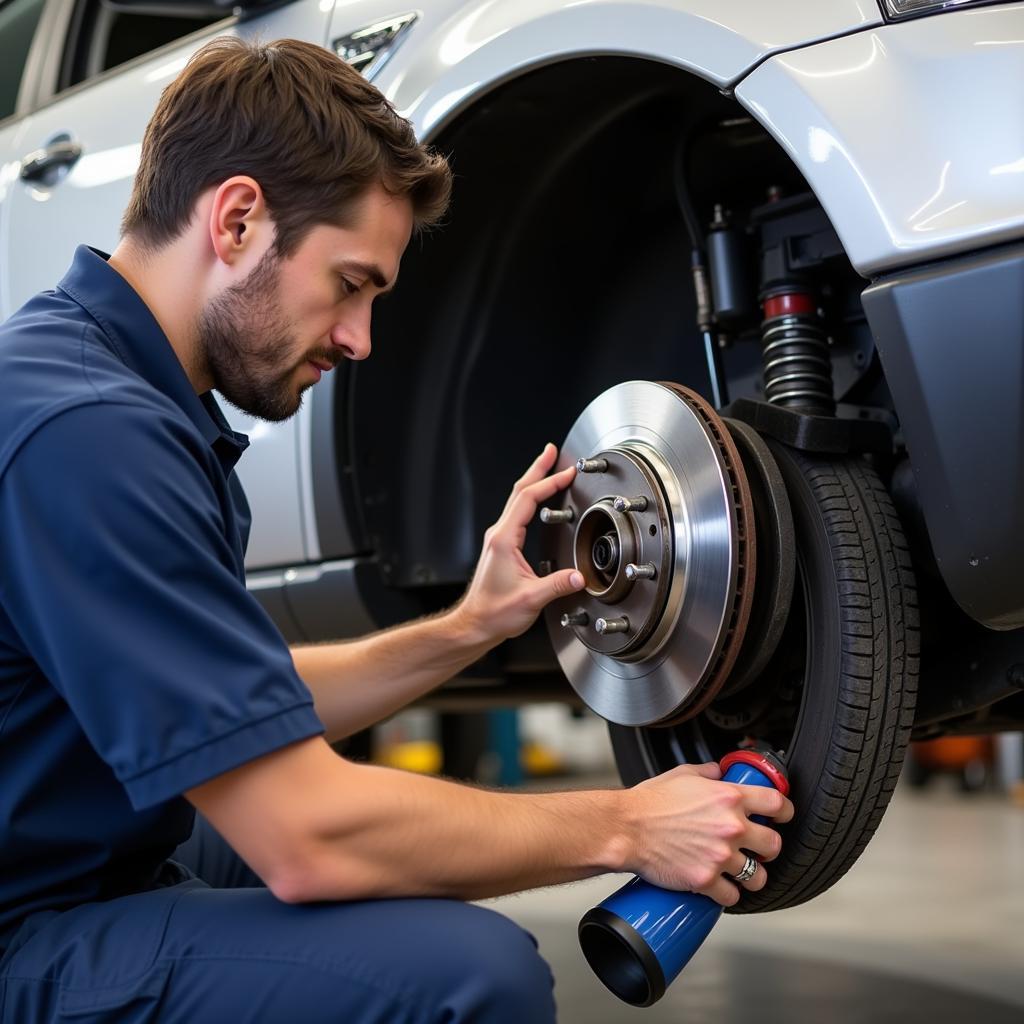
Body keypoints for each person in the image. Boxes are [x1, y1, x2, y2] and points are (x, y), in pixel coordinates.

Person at [0, 37, 794, 1023]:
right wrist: (628, 827)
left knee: (362, 860)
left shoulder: (108, 386)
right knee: (470, 976)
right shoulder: (92, 436)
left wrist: (469, 626)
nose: (360, 340)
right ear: (237, 219)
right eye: (349, 283)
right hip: (25, 922)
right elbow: (305, 836)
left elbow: (239, 708)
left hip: (66, 841)